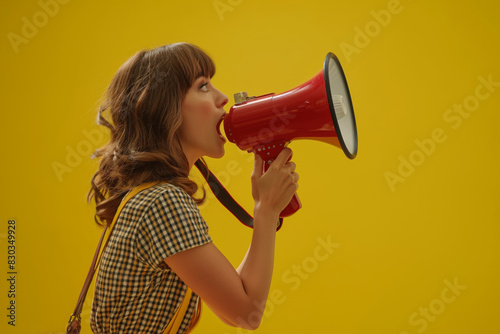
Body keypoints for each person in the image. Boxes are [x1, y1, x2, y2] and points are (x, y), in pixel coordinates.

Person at [88, 42, 299, 333]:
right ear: (163, 108)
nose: (223, 98)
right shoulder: (163, 201)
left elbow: (232, 305)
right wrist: (266, 211)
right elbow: (247, 313)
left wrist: (268, 209)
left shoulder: (150, 196)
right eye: (203, 86)